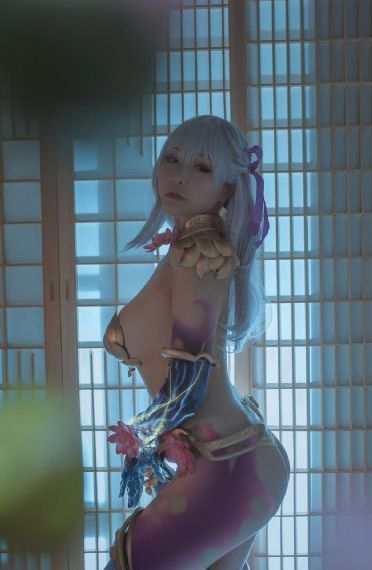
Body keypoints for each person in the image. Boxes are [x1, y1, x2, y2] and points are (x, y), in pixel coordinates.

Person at [102, 115, 290, 570]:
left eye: (201, 167)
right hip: (234, 460)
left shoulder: (198, 254)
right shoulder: (187, 249)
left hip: (227, 464)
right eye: (172, 159)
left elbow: (190, 376)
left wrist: (143, 435)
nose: (179, 175)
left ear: (226, 188)